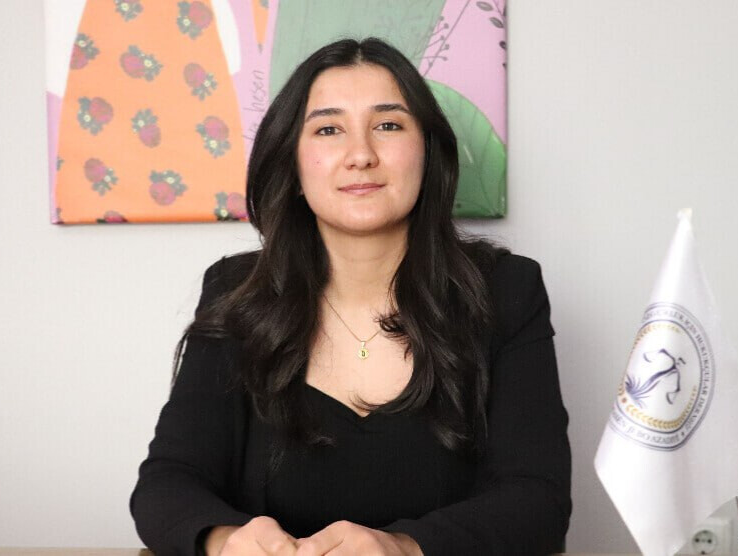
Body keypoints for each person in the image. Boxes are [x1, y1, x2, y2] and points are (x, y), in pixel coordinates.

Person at [130, 37, 571, 556]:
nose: (361, 155)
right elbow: (168, 482)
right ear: (294, 166)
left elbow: (538, 501)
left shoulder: (506, 289)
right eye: (328, 129)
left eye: (388, 125)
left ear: (427, 153)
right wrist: (224, 541)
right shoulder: (236, 292)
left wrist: (403, 548)